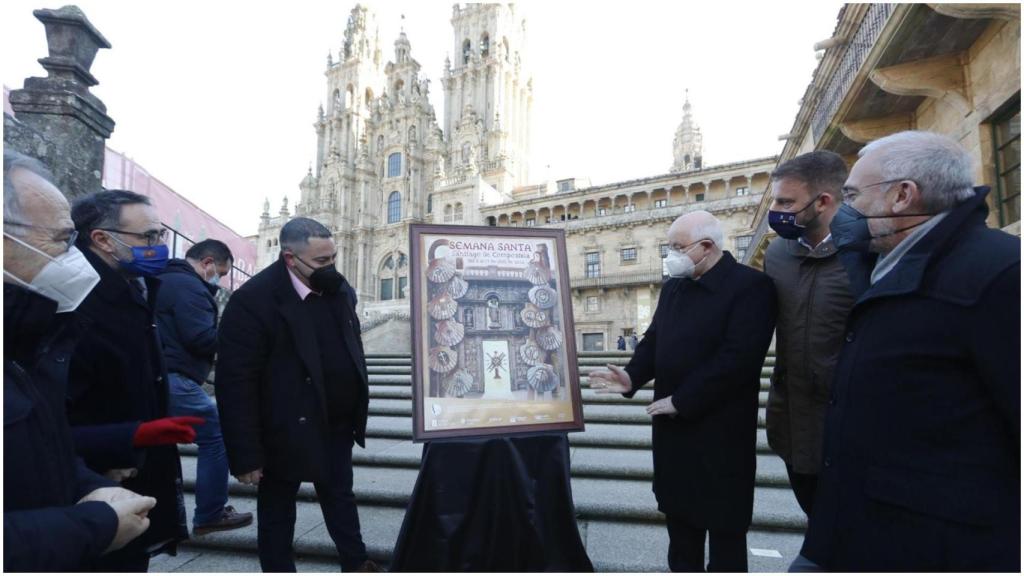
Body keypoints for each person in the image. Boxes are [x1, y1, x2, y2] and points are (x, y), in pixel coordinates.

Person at [798, 131, 1020, 571]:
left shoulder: (1003, 275)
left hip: (938, 547)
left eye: (855, 195)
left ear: (902, 196)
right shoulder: (882, 264)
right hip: (854, 529)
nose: (845, 210)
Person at [590, 211, 777, 572]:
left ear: (706, 247)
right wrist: (632, 377)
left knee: (726, 536)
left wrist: (683, 400)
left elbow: (738, 359)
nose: (670, 254)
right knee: (681, 535)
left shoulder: (751, 287)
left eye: (677, 247)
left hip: (721, 433)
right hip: (673, 433)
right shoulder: (675, 284)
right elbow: (655, 338)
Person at [3, 150, 156, 571]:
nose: (74, 257)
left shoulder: (27, 332)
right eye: (59, 241)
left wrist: (88, 486)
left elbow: (43, 444)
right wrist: (92, 524)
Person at [216, 217, 378, 572]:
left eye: (333, 257)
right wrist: (246, 456)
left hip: (335, 423)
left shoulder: (337, 288)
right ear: (290, 258)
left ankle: (356, 562)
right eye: (321, 261)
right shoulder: (253, 300)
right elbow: (235, 382)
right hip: (282, 429)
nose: (330, 267)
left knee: (340, 499)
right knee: (277, 511)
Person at [67, 189, 200, 571]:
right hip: (98, 481)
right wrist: (114, 451)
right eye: (149, 237)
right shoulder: (77, 300)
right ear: (103, 239)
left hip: (134, 471)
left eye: (161, 236)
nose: (160, 246)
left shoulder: (135, 287)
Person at [762, 151, 854, 517]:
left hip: (849, 423)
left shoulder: (869, 251)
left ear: (824, 201)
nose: (776, 209)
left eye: (786, 201)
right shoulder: (778, 253)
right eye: (775, 200)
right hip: (792, 421)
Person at [155, 239, 253, 535]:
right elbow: (200, 338)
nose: (219, 280)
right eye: (220, 273)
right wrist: (236, 335)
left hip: (163, 374)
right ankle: (210, 512)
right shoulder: (190, 287)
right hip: (176, 378)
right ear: (208, 263)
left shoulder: (165, 279)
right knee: (217, 434)